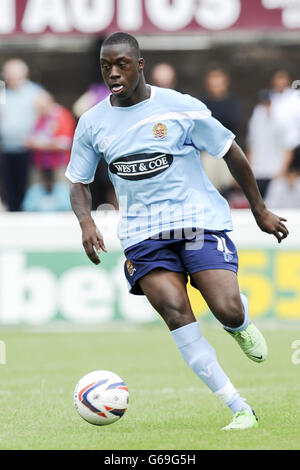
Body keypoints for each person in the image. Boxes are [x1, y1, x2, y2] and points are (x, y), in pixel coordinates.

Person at [66, 32, 289, 431]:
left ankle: (238, 324)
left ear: (139, 64)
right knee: (176, 313)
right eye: (106, 66)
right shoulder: (93, 122)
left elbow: (229, 150)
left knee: (226, 307)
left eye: (120, 64)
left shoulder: (180, 108)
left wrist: (260, 208)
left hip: (197, 221)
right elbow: (78, 181)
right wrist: (86, 222)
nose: (113, 73)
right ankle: (238, 407)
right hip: (142, 236)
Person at [0, 58, 42, 211]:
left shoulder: (35, 92)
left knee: (27, 184)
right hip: (7, 146)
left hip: (29, 146)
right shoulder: (3, 92)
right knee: (9, 185)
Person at [246, 89, 294, 198]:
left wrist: (282, 170)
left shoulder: (283, 120)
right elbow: (251, 146)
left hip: (275, 172)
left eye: (268, 103)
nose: (266, 106)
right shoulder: (255, 120)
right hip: (257, 171)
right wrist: (249, 170)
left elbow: (288, 148)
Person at [200, 66, 240, 193]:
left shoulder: (232, 104)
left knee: (228, 188)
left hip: (227, 152)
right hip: (208, 153)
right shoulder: (202, 104)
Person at [27, 90, 76, 182]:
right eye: (37, 108)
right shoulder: (38, 117)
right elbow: (29, 139)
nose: (40, 110)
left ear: (50, 103)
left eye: (42, 108)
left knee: (62, 193)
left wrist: (42, 144)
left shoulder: (62, 115)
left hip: (60, 164)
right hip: (40, 164)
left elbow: (65, 143)